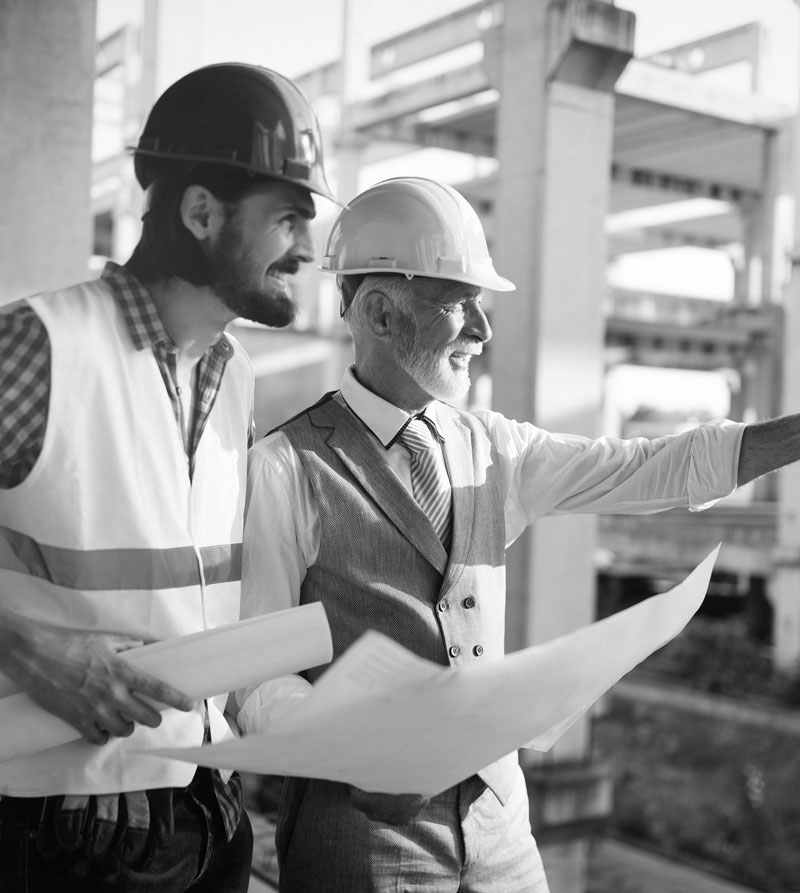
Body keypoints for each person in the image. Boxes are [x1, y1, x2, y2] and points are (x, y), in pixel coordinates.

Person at [237, 176, 800, 893]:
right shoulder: (285, 468)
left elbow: (653, 467)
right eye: (459, 303)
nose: (482, 330)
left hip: (503, 834)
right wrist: (354, 744)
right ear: (379, 313)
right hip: (362, 843)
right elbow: (255, 673)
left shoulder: (496, 449)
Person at [0, 62, 336, 893]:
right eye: (289, 216)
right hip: (59, 827)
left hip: (204, 811)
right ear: (200, 211)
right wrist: (26, 646)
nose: (308, 246)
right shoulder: (39, 347)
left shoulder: (237, 379)